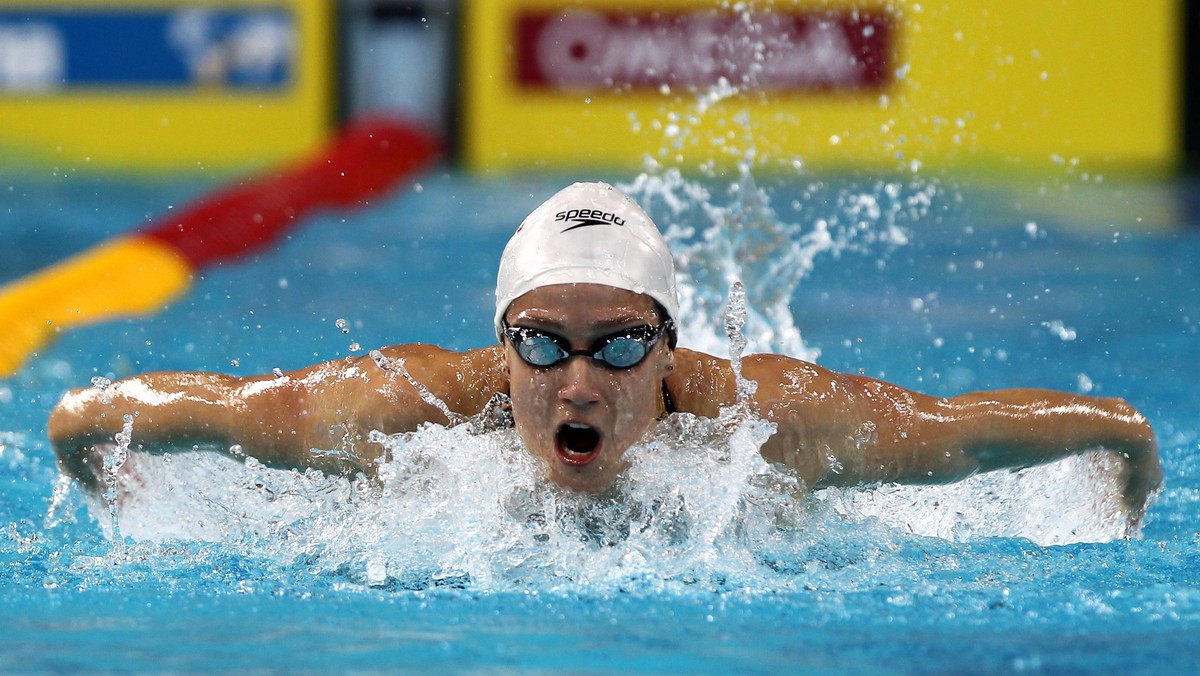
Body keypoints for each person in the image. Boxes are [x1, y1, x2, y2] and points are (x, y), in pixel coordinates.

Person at [47, 182, 1163, 529]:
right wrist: (121, 497)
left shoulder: (768, 421)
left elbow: (962, 435)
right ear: (503, 345)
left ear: (672, 347)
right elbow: (91, 415)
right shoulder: (398, 410)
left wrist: (1127, 449)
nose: (578, 384)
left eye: (620, 346)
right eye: (543, 344)